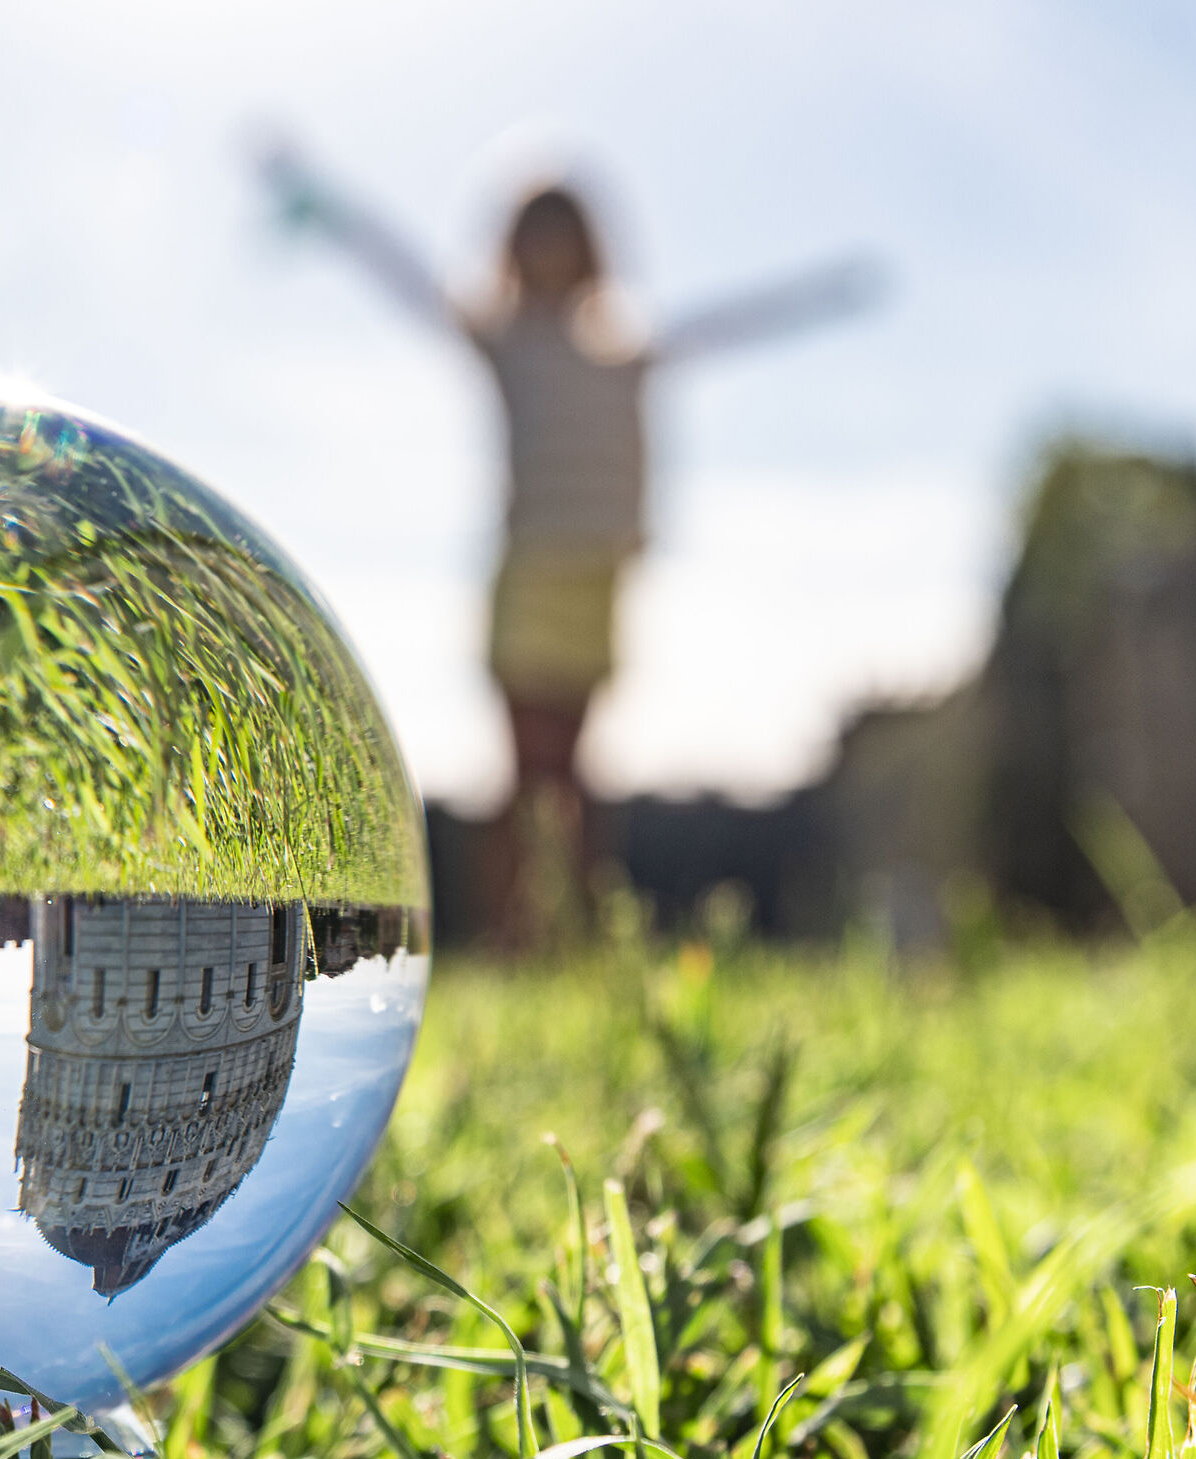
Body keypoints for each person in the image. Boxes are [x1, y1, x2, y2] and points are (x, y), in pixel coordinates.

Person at [261, 144, 877, 942]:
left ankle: (568, 936)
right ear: (512, 248)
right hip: (531, 572)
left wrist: (824, 295)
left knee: (575, 774)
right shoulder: (506, 341)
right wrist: (327, 207)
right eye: (534, 233)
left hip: (596, 578)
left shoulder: (623, 352)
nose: (548, 249)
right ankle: (507, 936)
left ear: (589, 247)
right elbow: (409, 276)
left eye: (563, 232)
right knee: (525, 773)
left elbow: (729, 324)